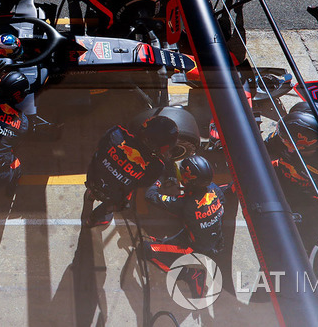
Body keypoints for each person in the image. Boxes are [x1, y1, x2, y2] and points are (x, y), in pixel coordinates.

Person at [142, 155, 229, 298]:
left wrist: (159, 179)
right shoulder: (215, 189)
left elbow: (150, 195)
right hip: (215, 240)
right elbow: (225, 191)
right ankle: (167, 244)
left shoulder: (184, 204)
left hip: (196, 247)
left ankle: (191, 275)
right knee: (191, 225)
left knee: (146, 249)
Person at [83, 115, 180, 227]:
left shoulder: (116, 133)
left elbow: (100, 147)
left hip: (92, 179)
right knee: (122, 203)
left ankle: (91, 195)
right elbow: (143, 184)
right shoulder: (156, 166)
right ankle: (93, 219)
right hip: (111, 196)